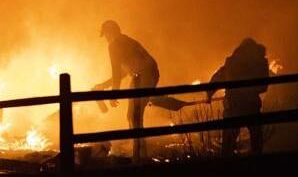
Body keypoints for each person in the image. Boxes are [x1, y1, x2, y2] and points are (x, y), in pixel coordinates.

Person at [93, 20, 185, 162]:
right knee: (131, 115)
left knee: (135, 115)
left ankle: (140, 156)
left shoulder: (114, 45)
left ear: (110, 32)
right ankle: (140, 152)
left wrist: (114, 94)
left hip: (144, 74)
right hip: (143, 73)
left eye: (105, 35)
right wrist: (103, 85)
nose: (105, 38)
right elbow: (123, 73)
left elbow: (117, 71)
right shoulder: (125, 41)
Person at [206, 38, 270, 156]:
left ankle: (227, 167)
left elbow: (218, 77)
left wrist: (209, 94)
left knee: (228, 143)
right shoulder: (260, 62)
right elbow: (263, 86)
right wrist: (249, 91)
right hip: (251, 106)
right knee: (256, 141)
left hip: (233, 106)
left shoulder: (232, 61)